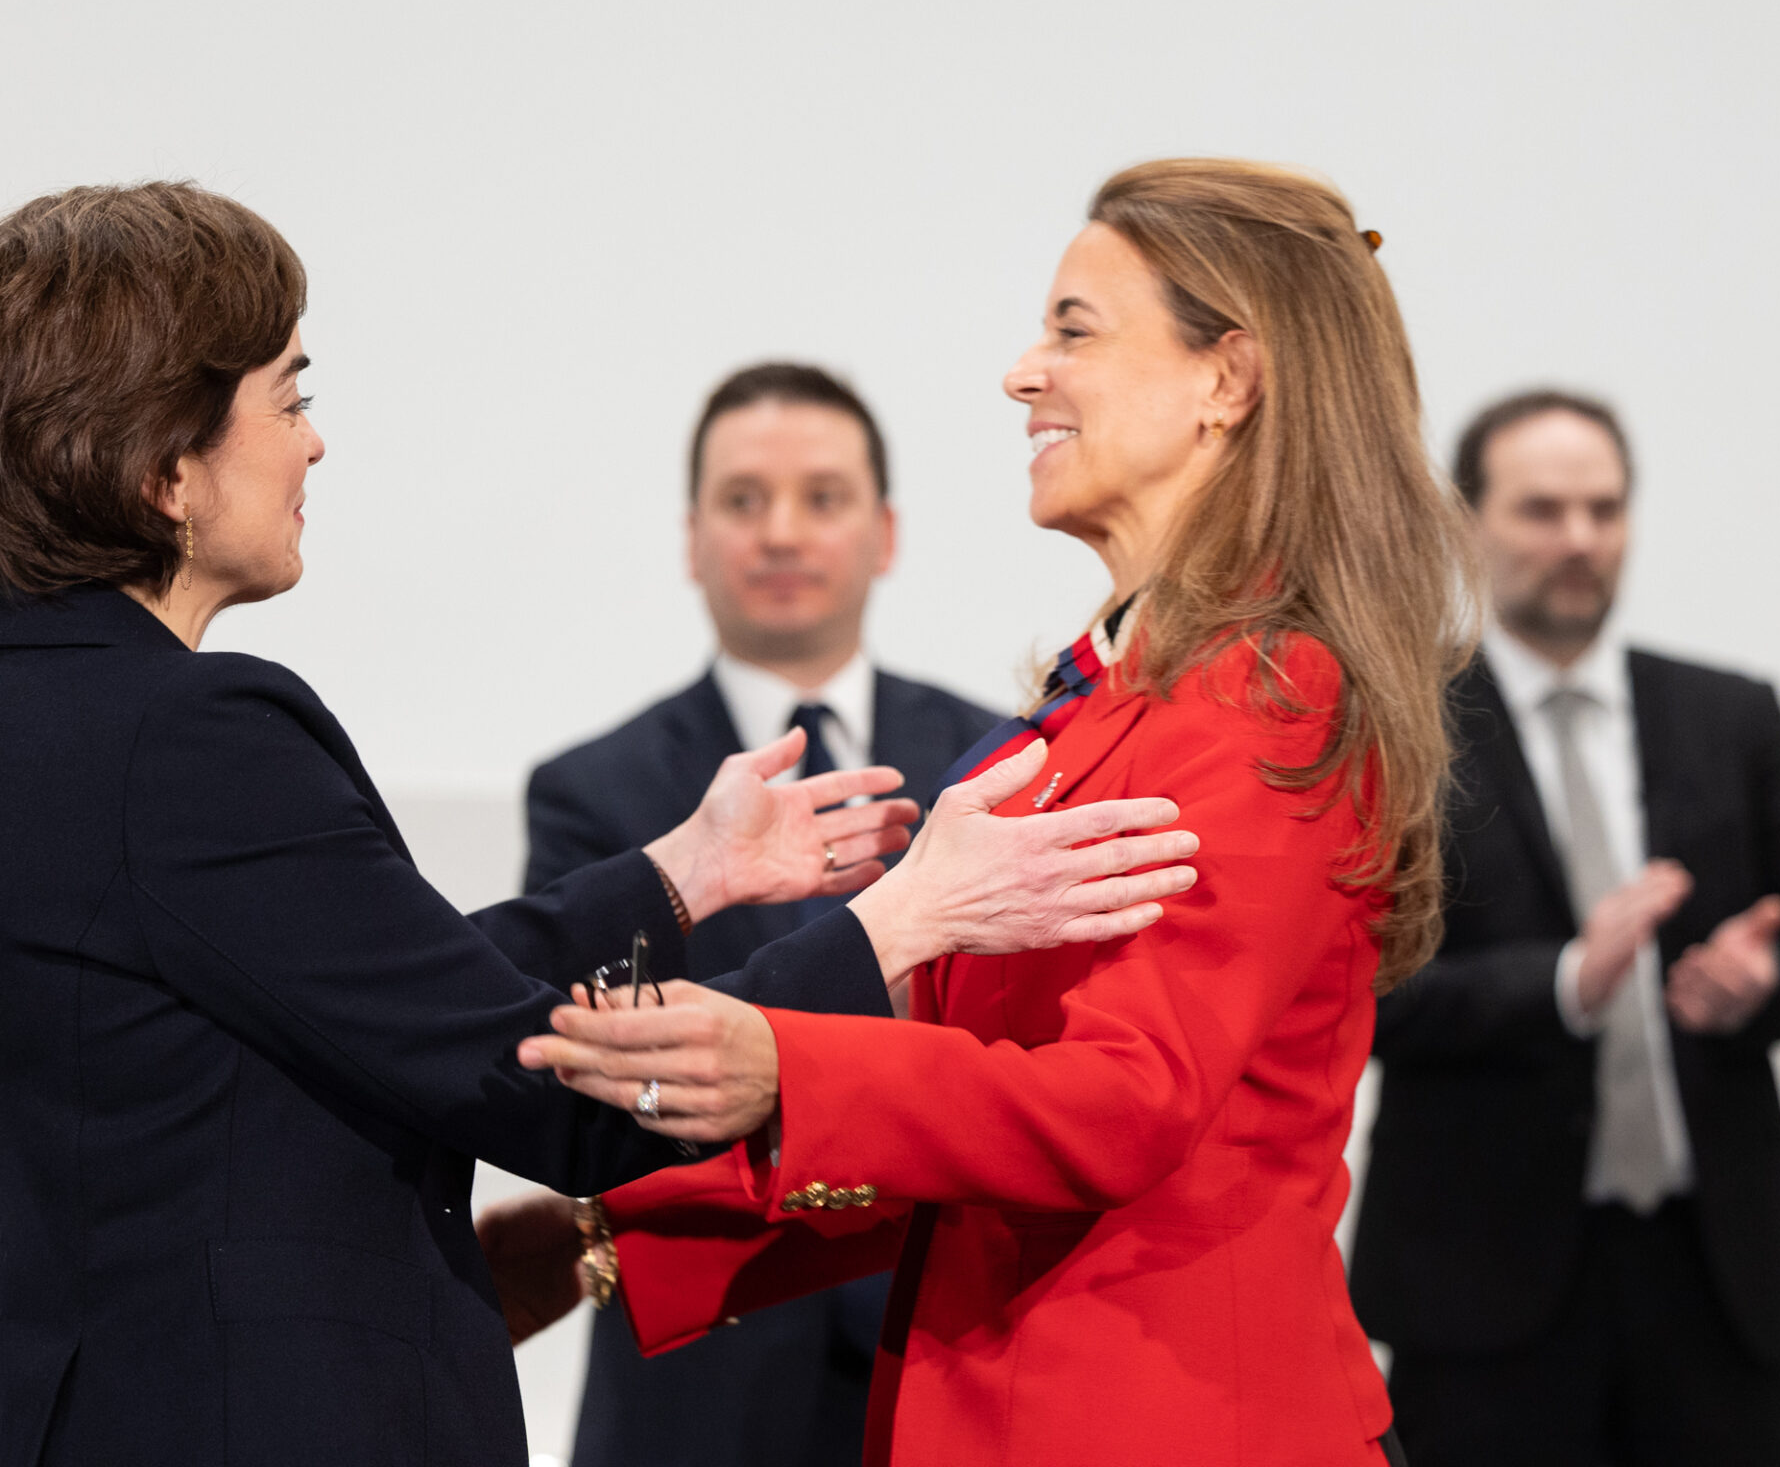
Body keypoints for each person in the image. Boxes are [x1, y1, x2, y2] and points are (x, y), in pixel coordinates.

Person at [0, 180, 1201, 1467]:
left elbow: (371, 987)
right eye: (289, 398)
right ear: (163, 470)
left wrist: (686, 874)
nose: (315, 445)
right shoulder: (193, 733)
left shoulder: (48, 711)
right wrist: (896, 919)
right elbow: (552, 1091)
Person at [520, 159, 1474, 1467]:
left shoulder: (1271, 696)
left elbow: (1124, 1100)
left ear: (1226, 379)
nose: (1025, 374)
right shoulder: (1102, 705)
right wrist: (610, 1248)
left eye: (1076, 329)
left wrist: (787, 1065)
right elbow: (973, 1127)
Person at [1349, 390, 1780, 1467]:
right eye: (1543, 510)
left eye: (1605, 509)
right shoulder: (1402, 724)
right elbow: (1364, 992)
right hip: (1483, 1283)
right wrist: (1562, 984)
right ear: (1468, 521)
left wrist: (1761, 983)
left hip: (1714, 1270)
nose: (1579, 540)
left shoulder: (1732, 716)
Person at [525, 362, 1001, 1467]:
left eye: (822, 498)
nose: (782, 532)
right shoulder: (596, 789)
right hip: (707, 1363)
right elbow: (594, 1067)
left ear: (884, 534)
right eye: (744, 501)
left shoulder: (993, 760)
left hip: (949, 1333)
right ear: (693, 538)